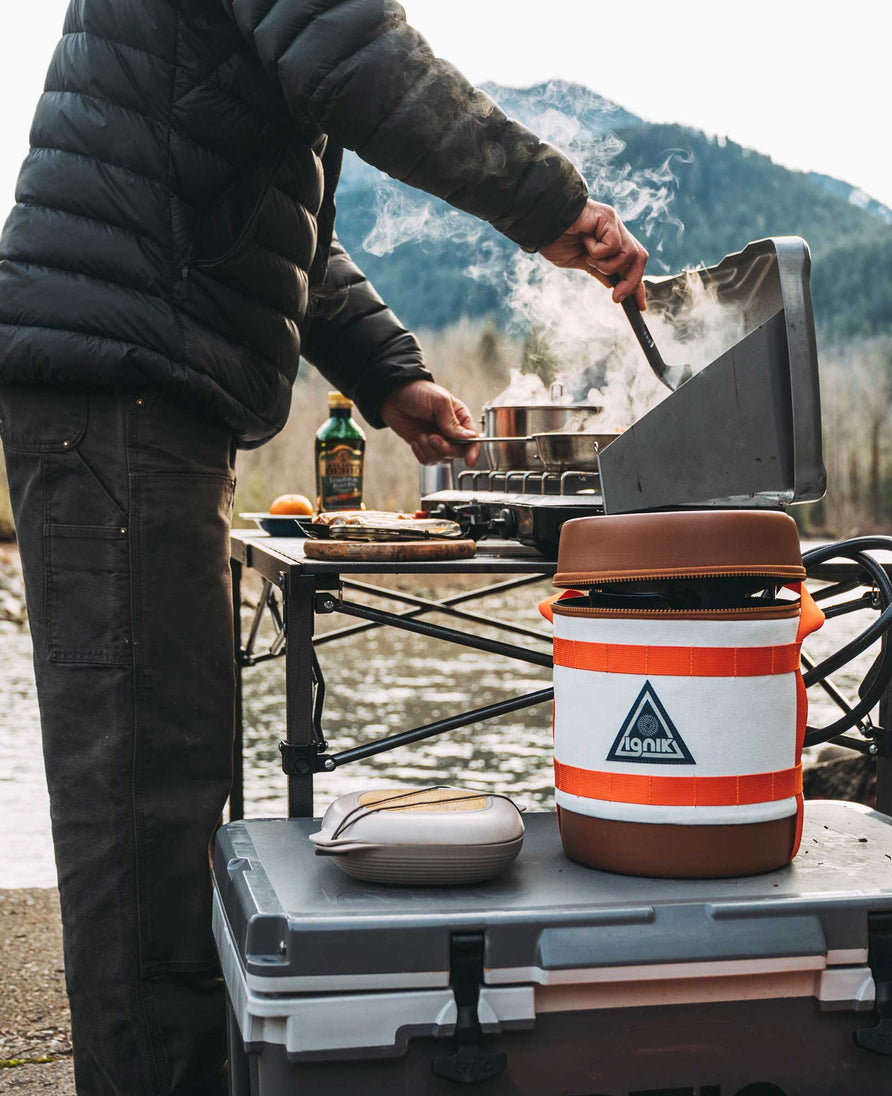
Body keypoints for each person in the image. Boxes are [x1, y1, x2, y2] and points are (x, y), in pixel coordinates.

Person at [0, 1, 648, 1092]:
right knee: (142, 795)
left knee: (172, 768)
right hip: (118, 394)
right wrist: (554, 206)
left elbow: (272, 219)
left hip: (137, 390)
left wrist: (387, 373)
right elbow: (364, 63)